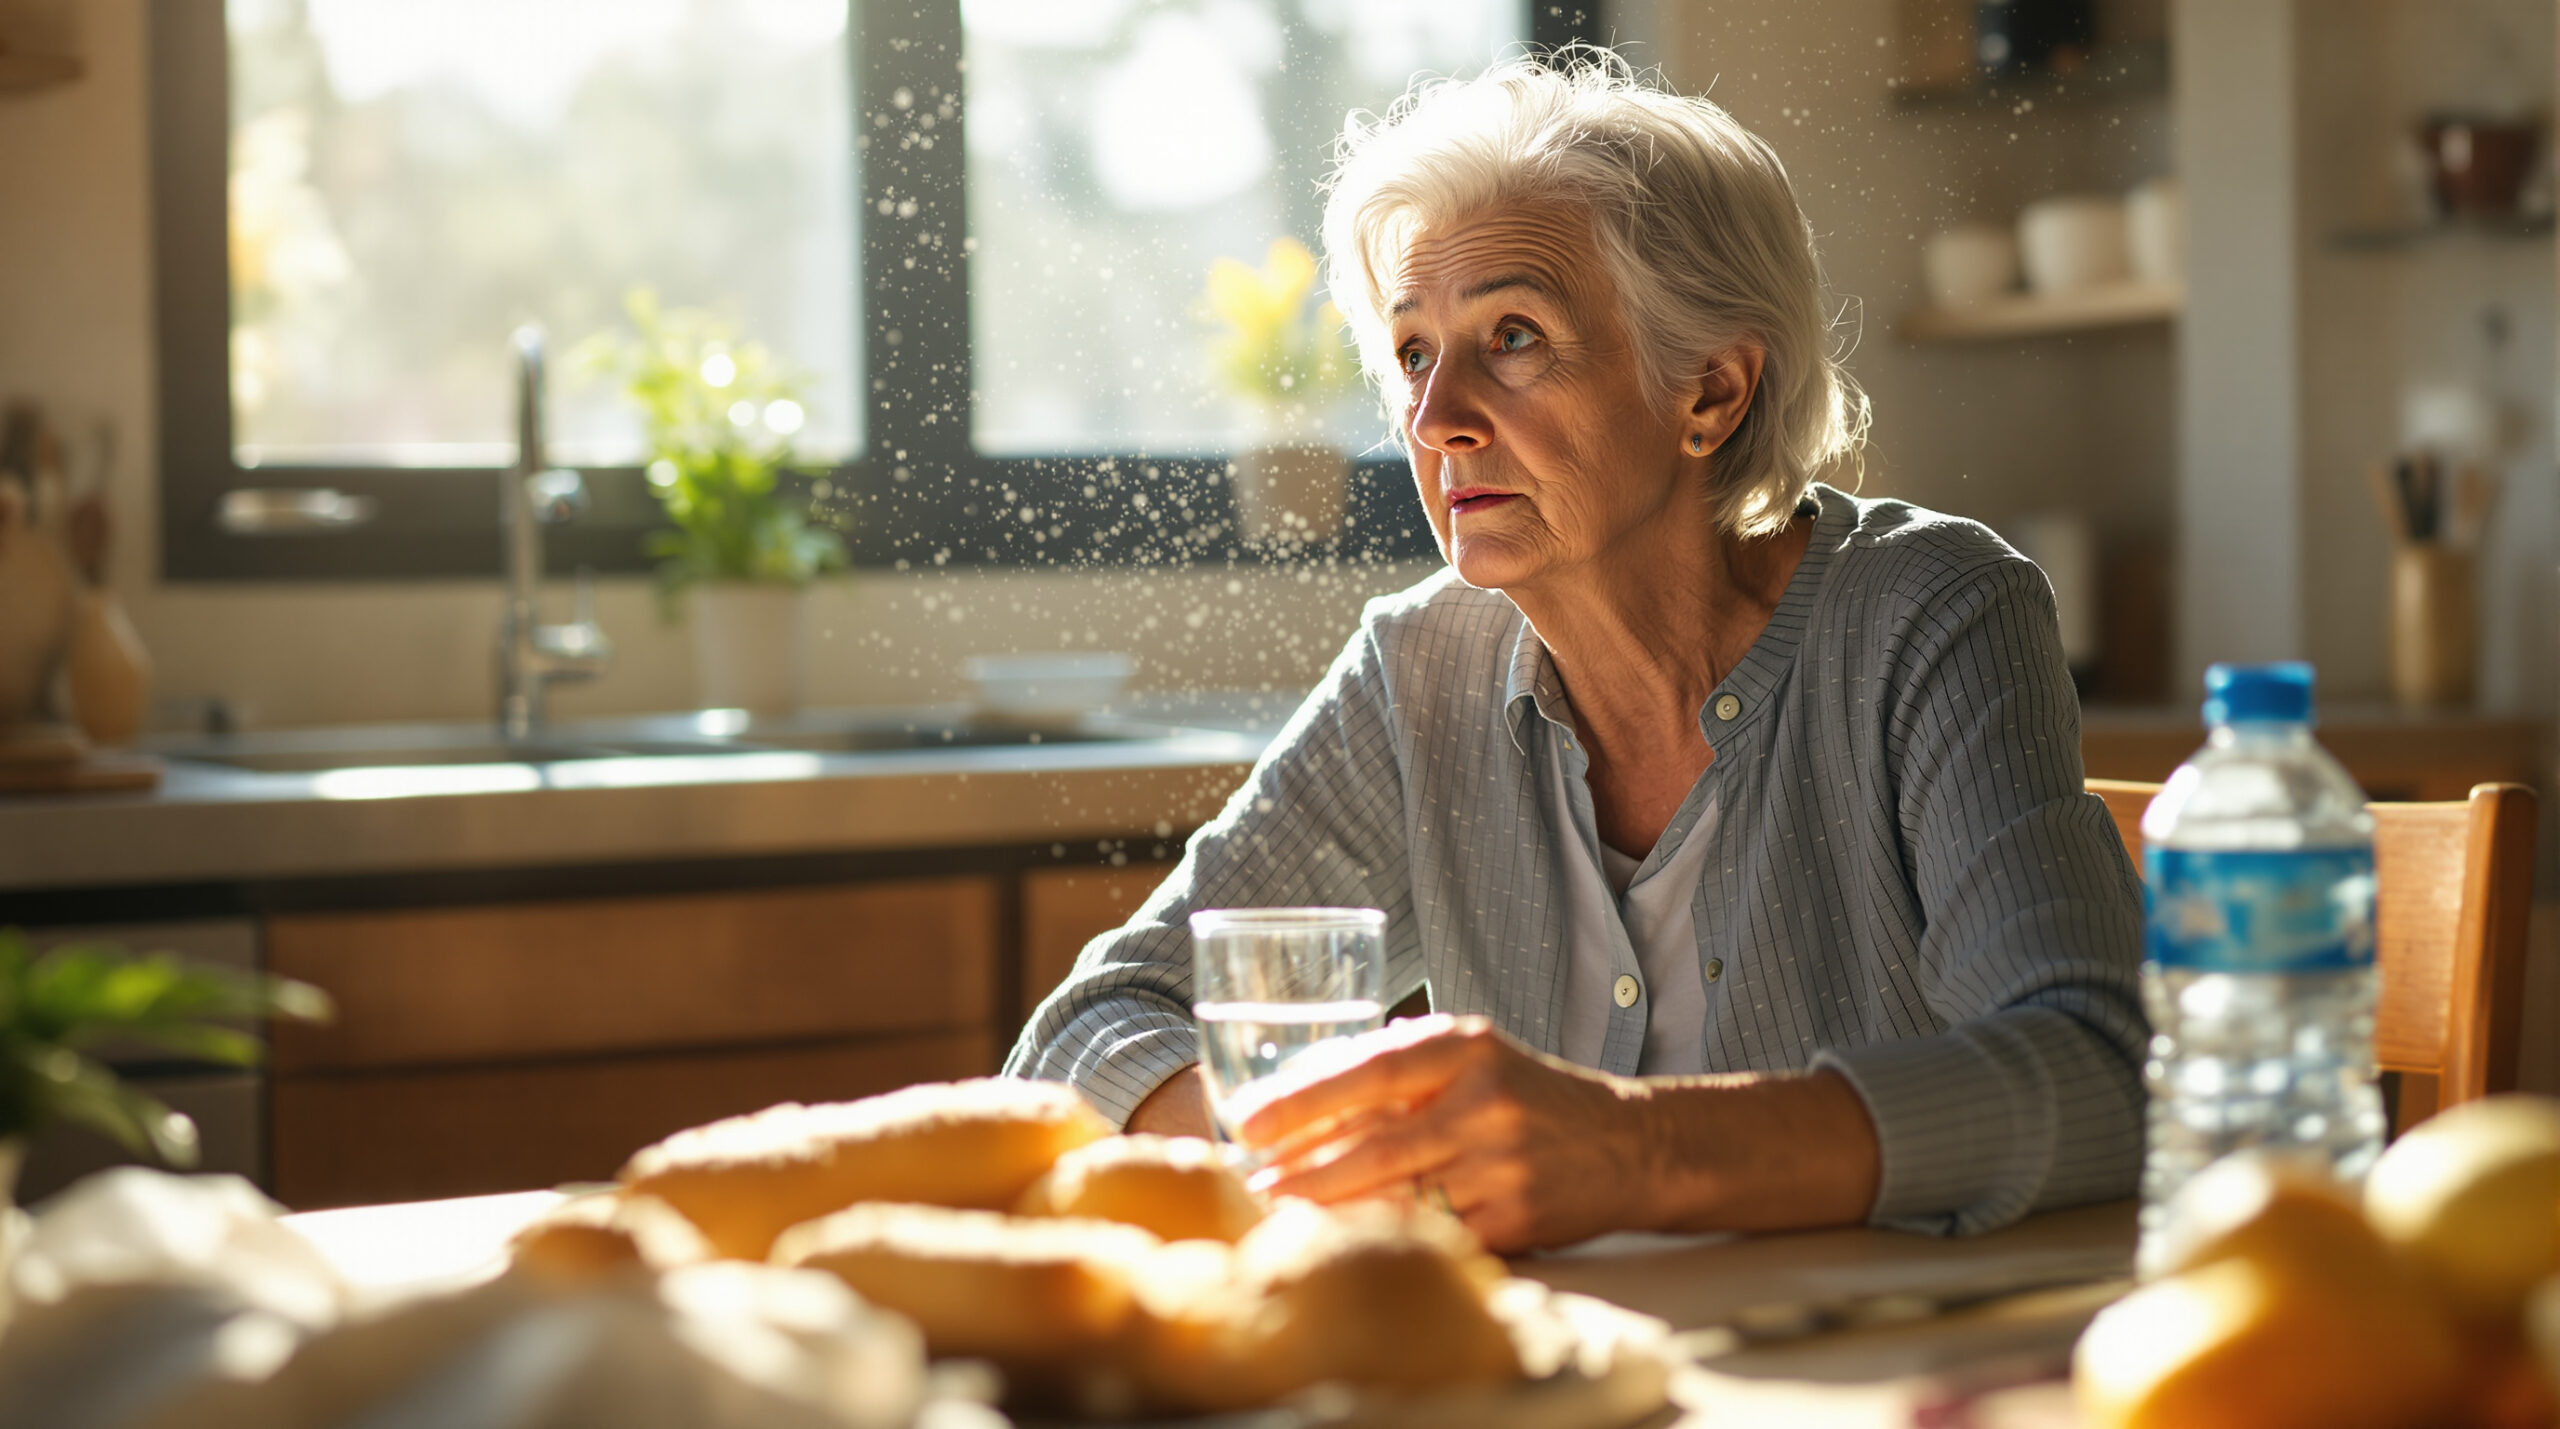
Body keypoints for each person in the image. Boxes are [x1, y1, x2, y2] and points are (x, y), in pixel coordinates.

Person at [1006, 51, 2145, 1250]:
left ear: (1708, 392)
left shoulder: (1930, 614)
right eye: (1409, 352)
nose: (1436, 416)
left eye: (1512, 336)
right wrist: (1336, 1164)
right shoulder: (1418, 672)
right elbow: (1088, 1029)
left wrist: (1634, 1150)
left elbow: (2096, 1070)